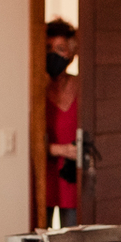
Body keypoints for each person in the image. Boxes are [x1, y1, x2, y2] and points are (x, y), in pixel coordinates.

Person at [45, 18, 80, 228]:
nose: (53, 54)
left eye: (60, 48)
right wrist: (61, 150)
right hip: (44, 178)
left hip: (73, 178)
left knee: (74, 238)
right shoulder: (36, 89)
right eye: (48, 48)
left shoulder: (82, 85)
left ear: (72, 53)